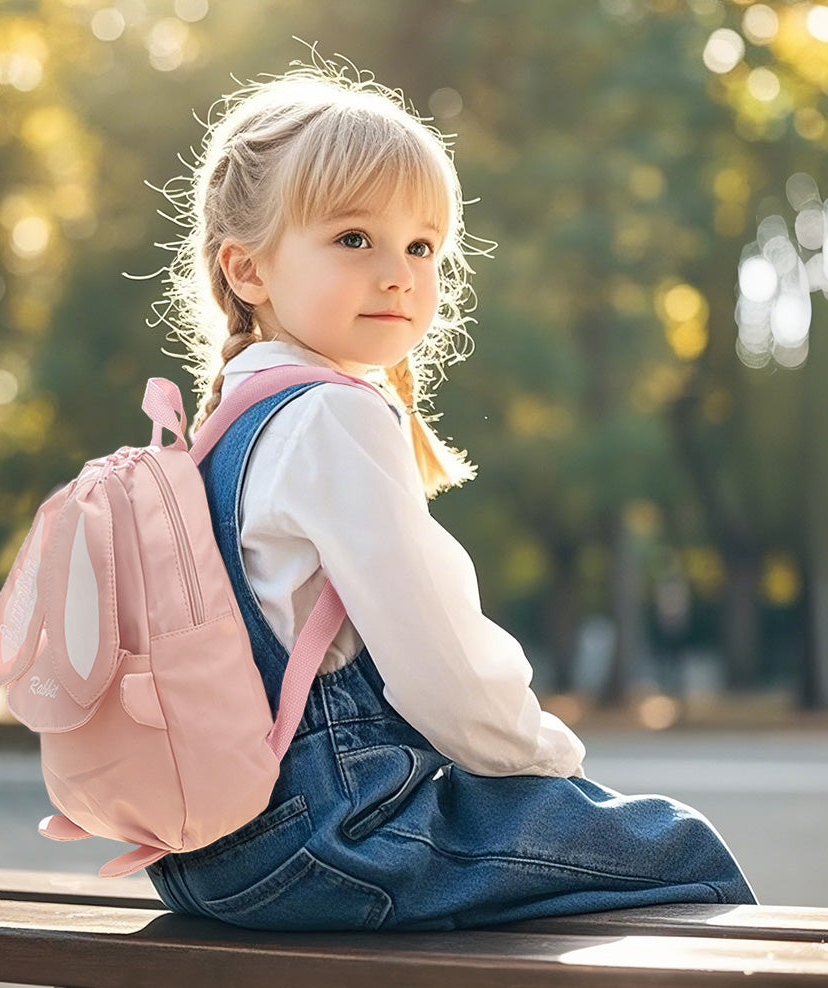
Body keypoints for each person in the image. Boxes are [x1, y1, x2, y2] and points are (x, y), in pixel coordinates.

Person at [145, 59, 756, 930]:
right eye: (353, 239)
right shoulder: (330, 417)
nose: (398, 273)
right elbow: (443, 666)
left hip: (202, 853)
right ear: (248, 270)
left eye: (421, 247)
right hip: (328, 835)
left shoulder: (225, 428)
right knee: (683, 854)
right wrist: (549, 761)